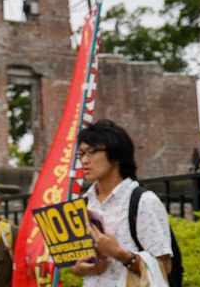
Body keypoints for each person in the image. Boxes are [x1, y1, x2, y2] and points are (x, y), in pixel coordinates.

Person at [70, 120, 173, 286]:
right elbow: (74, 265)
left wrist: (119, 254)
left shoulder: (143, 201)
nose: (84, 161)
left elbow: (164, 267)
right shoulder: (83, 204)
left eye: (92, 152)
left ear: (116, 156)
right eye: (81, 154)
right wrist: (83, 268)